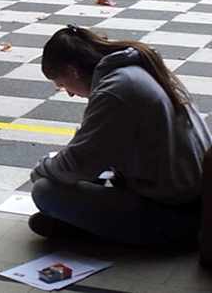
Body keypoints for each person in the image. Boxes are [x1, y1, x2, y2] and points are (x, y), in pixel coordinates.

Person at [29, 24, 211, 247]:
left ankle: (98, 230)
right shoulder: (133, 71)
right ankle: (86, 224)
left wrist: (40, 171)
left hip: (177, 215)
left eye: (63, 84)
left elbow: (77, 165)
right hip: (191, 199)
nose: (69, 93)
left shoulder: (115, 91)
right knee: (80, 178)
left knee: (45, 192)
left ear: (72, 71)